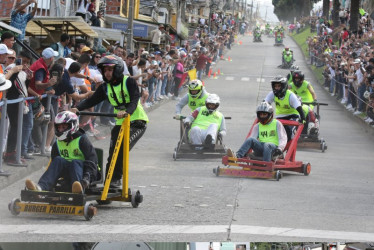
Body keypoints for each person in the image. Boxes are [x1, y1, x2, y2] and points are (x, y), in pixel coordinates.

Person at [73, 55, 149, 188]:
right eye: (105, 70)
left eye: (110, 70)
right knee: (113, 150)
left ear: (118, 70)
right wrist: (76, 108)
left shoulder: (129, 82)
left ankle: (116, 179)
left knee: (122, 146)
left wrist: (127, 112)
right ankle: (108, 181)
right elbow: (91, 100)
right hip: (120, 122)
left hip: (137, 121)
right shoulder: (104, 87)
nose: (107, 73)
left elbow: (134, 100)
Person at [25, 111, 98, 193]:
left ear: (72, 125)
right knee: (58, 160)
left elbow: (92, 162)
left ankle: (78, 189)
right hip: (67, 172)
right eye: (59, 127)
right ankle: (41, 187)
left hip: (83, 173)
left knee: (75, 162)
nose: (60, 129)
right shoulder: (57, 143)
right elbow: (54, 164)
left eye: (63, 127)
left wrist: (87, 178)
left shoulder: (82, 140)